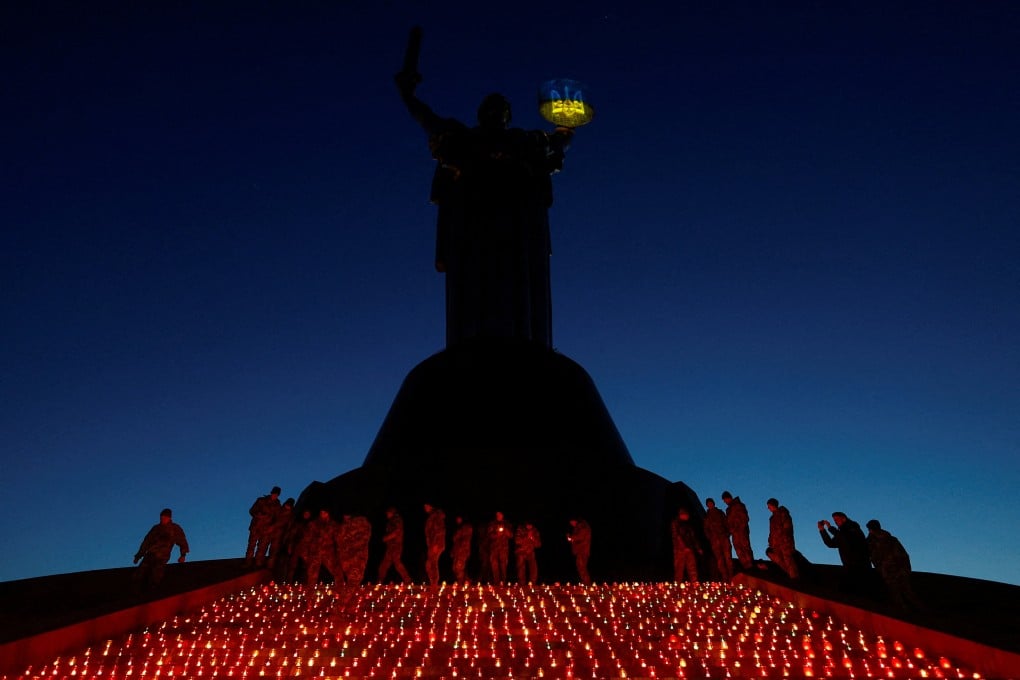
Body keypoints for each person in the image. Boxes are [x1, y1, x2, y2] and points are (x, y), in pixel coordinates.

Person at [395, 61, 574, 348]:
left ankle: (522, 339)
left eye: (501, 108)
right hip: (472, 223)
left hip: (519, 226)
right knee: (474, 283)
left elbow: (556, 145)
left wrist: (567, 129)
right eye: (490, 108)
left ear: (508, 116)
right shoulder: (463, 137)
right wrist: (408, 96)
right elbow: (428, 119)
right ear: (481, 115)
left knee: (520, 284)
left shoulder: (524, 140)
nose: (496, 113)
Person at [866, 519, 923, 611]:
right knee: (905, 592)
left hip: (891, 571)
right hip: (896, 570)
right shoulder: (888, 539)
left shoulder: (875, 541)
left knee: (897, 593)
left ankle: (908, 612)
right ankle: (916, 610)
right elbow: (904, 555)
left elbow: (902, 555)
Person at [133, 508, 189, 589]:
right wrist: (138, 556)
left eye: (164, 518)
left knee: (156, 575)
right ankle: (136, 590)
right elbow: (146, 542)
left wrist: (183, 555)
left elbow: (182, 541)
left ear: (169, 518)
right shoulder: (155, 528)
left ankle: (153, 590)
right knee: (139, 574)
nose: (162, 519)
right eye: (161, 517)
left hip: (162, 556)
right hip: (150, 554)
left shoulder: (174, 528)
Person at [818, 511, 871, 593]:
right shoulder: (841, 532)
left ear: (844, 518)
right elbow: (831, 544)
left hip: (860, 565)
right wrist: (822, 530)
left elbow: (846, 538)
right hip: (849, 565)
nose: (835, 522)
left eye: (837, 520)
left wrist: (830, 528)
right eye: (834, 520)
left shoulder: (852, 528)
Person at [302, 508, 339, 588]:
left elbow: (338, 539)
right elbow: (306, 539)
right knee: (311, 576)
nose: (322, 514)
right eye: (321, 512)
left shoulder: (333, 525)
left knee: (337, 572)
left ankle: (341, 592)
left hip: (328, 552)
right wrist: (305, 554)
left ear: (328, 513)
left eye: (325, 512)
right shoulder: (313, 524)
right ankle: (310, 595)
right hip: (314, 552)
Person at [246, 486, 281, 568]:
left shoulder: (277, 506)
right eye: (274, 493)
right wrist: (258, 515)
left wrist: (271, 527)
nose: (274, 495)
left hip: (266, 530)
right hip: (256, 527)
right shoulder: (261, 501)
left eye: (276, 494)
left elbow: (277, 519)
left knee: (261, 548)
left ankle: (258, 563)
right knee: (251, 546)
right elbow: (252, 511)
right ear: (271, 492)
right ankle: (248, 562)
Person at [766, 498, 799, 580]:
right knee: (779, 559)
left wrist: (785, 539)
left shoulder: (783, 514)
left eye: (769, 506)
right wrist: (771, 540)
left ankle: (794, 578)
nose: (768, 508)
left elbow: (787, 527)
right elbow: (772, 531)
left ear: (773, 505)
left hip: (784, 542)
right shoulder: (772, 518)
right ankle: (790, 575)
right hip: (776, 543)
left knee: (788, 560)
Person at [377, 507, 412, 583]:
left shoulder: (397, 520)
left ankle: (408, 580)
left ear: (392, 513)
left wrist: (386, 538)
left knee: (396, 562)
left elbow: (397, 532)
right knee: (385, 564)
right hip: (390, 546)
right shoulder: (391, 521)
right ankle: (379, 581)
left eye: (388, 513)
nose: (387, 514)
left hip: (396, 545)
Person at [721, 491, 754, 571]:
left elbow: (745, 518)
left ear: (728, 498)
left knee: (745, 548)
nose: (725, 502)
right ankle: (746, 566)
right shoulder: (728, 509)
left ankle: (751, 566)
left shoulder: (738, 505)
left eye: (725, 500)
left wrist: (739, 528)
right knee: (738, 549)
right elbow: (729, 522)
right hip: (734, 533)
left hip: (741, 531)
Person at [337, 512, 373, 587]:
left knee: (353, 579)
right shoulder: (364, 523)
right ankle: (347, 597)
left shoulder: (348, 525)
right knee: (354, 579)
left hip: (354, 556)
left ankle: (347, 597)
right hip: (352, 556)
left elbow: (339, 539)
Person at [703, 498, 734, 581]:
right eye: (708, 503)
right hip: (715, 541)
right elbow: (706, 529)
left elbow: (726, 523)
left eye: (711, 503)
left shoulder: (720, 513)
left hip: (723, 538)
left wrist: (727, 533)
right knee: (719, 559)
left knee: (728, 557)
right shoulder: (707, 517)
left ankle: (731, 575)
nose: (710, 505)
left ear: (713, 503)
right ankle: (724, 576)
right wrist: (710, 537)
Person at [670, 507, 702, 582]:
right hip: (680, 550)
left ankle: (694, 583)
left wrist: (698, 548)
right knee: (679, 568)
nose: (688, 517)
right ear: (682, 515)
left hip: (690, 549)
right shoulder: (675, 523)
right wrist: (684, 547)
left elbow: (693, 537)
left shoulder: (688, 525)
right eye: (686, 515)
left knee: (692, 567)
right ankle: (678, 585)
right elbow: (676, 536)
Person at [282, 508, 312, 583]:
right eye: (305, 513)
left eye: (308, 514)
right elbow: (292, 535)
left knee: (306, 566)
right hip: (297, 545)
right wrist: (290, 545)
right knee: (292, 565)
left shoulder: (311, 525)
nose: (306, 515)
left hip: (306, 547)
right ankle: (288, 581)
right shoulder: (298, 523)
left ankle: (304, 582)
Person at [267, 497, 295, 571]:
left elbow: (289, 527)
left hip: (279, 534)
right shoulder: (279, 510)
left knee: (274, 550)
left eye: (289, 505)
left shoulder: (291, 515)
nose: (287, 506)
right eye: (287, 504)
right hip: (271, 531)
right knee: (264, 547)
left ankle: (270, 565)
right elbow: (272, 518)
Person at [486, 511, 513, 583]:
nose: (498, 516)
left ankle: (503, 582)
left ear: (503, 515)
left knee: (503, 566)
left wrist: (505, 531)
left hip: (503, 548)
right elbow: (489, 535)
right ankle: (496, 582)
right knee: (494, 566)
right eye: (497, 514)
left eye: (500, 514)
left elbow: (511, 535)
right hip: (494, 548)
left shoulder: (507, 524)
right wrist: (496, 534)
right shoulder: (492, 524)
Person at [423, 503, 447, 586]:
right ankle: (433, 583)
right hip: (432, 544)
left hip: (436, 543)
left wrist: (436, 544)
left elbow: (440, 531)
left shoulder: (436, 515)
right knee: (429, 564)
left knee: (432, 563)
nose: (425, 508)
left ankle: (434, 584)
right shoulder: (432, 516)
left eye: (426, 505)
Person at [566, 517, 592, 585]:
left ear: (575, 520)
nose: (571, 524)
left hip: (583, 550)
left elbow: (580, 536)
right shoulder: (579, 527)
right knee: (580, 566)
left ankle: (587, 583)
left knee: (581, 566)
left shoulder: (583, 526)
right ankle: (585, 582)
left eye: (572, 522)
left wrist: (572, 538)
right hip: (580, 550)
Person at [450, 516, 474, 582]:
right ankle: (466, 581)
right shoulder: (458, 528)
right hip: (457, 551)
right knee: (455, 568)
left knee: (459, 567)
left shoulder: (467, 527)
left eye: (459, 518)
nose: (458, 520)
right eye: (457, 518)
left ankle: (461, 583)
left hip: (462, 551)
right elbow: (455, 540)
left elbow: (465, 540)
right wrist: (453, 551)